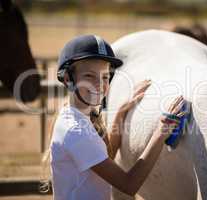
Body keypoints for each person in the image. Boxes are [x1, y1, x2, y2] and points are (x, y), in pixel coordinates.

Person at [46, 35, 186, 200]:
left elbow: (105, 158)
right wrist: (160, 132)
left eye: (105, 77)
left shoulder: (74, 116)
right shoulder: (76, 131)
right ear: (69, 79)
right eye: (89, 76)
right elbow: (129, 185)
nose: (100, 84)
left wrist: (121, 112)